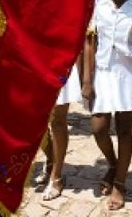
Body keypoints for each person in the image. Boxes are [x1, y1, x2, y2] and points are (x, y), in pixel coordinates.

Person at [81, 0, 132, 211]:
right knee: (98, 127)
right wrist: (87, 79)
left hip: (127, 70)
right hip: (103, 71)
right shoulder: (98, 3)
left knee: (125, 128)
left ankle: (120, 182)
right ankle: (114, 163)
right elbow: (90, 43)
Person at [38, 56, 82, 200]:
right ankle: (51, 158)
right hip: (32, 57)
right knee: (34, 120)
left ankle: (56, 176)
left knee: (57, 120)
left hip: (59, 58)